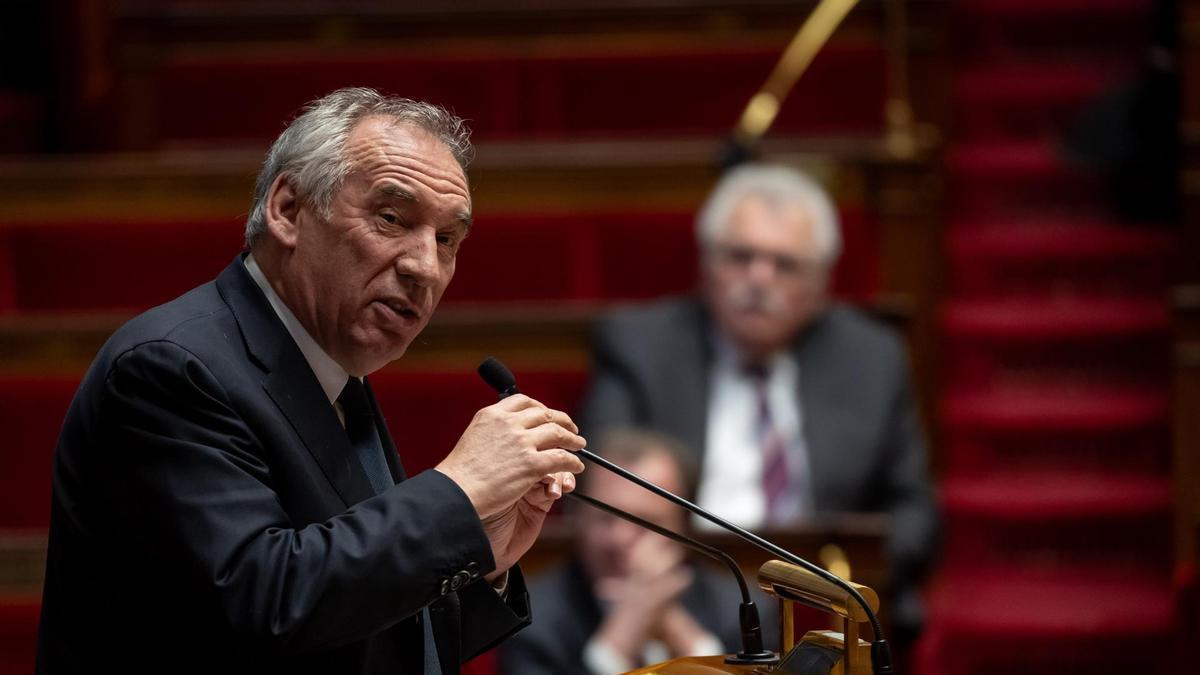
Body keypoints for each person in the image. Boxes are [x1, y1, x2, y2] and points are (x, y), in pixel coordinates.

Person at [36, 88, 586, 674]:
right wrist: (458, 491)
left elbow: (352, 621)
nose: (425, 266)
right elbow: (263, 605)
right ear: (289, 210)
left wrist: (485, 557)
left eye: (447, 239)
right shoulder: (171, 369)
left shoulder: (332, 369)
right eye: (392, 218)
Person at [578, 163, 938, 640]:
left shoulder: (871, 358)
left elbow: (914, 512)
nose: (759, 278)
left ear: (819, 284)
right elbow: (599, 490)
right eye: (740, 256)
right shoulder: (641, 348)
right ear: (707, 264)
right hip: (677, 596)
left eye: (785, 265)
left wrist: (845, 581)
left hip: (826, 606)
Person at [498, 429, 776, 675]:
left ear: (684, 529)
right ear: (578, 519)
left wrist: (679, 631)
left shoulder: (742, 609)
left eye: (645, 522)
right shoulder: (528, 617)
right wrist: (618, 640)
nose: (620, 539)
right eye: (605, 518)